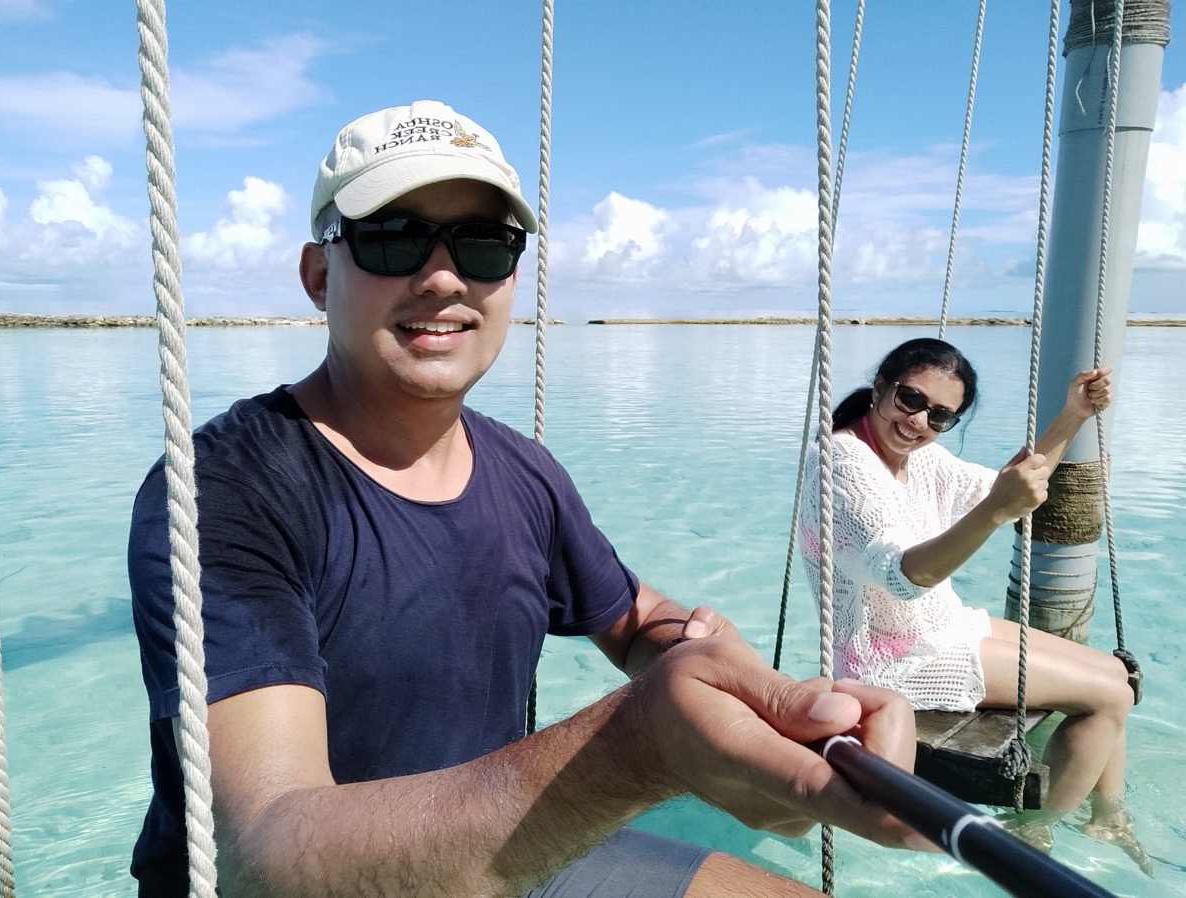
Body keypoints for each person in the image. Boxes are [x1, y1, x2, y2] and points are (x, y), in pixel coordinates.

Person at [129, 99, 922, 897]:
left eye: (482, 244)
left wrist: (750, 691)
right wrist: (639, 747)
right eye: (392, 237)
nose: (442, 276)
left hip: (510, 853)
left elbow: (637, 619)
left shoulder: (522, 472)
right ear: (316, 274)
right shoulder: (224, 493)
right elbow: (263, 855)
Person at [799, 337, 1149, 870]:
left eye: (939, 416)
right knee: (1109, 699)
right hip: (891, 660)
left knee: (1113, 674)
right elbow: (903, 576)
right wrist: (992, 513)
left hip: (940, 626)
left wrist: (1072, 415)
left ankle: (1106, 815)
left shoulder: (919, 458)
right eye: (910, 399)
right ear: (880, 387)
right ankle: (1034, 834)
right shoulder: (843, 465)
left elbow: (1006, 491)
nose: (918, 422)